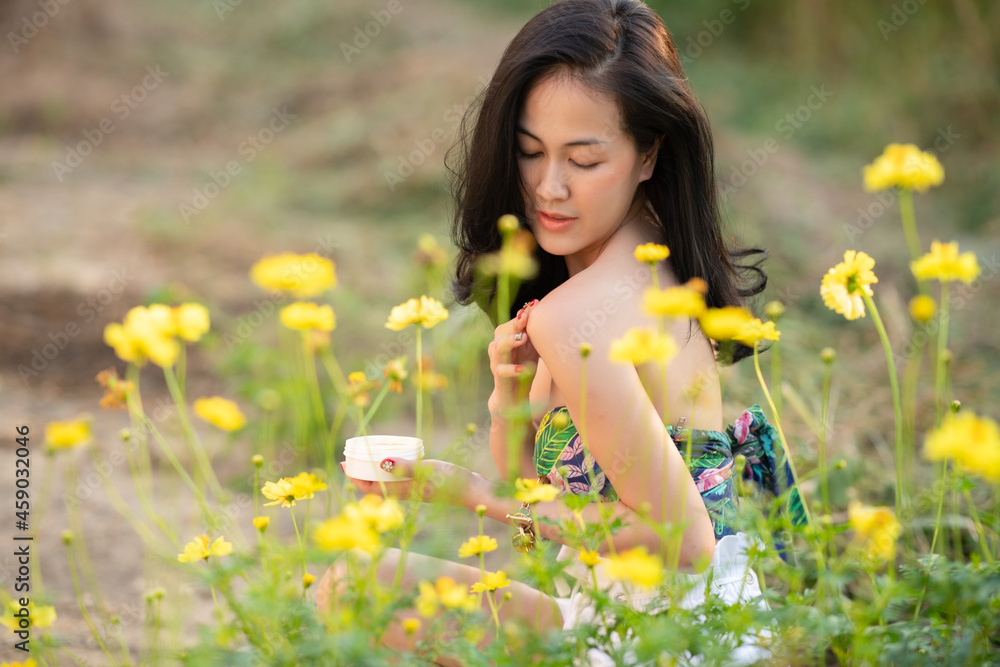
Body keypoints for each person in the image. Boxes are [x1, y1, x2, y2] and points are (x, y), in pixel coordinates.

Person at [318, 1, 801, 663]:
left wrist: (471, 494)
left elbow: (684, 539)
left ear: (648, 153)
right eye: (530, 153)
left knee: (358, 590)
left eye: (583, 160)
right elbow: (543, 513)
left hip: (663, 643)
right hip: (678, 620)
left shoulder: (578, 314)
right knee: (359, 586)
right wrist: (509, 406)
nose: (549, 187)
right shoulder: (650, 254)